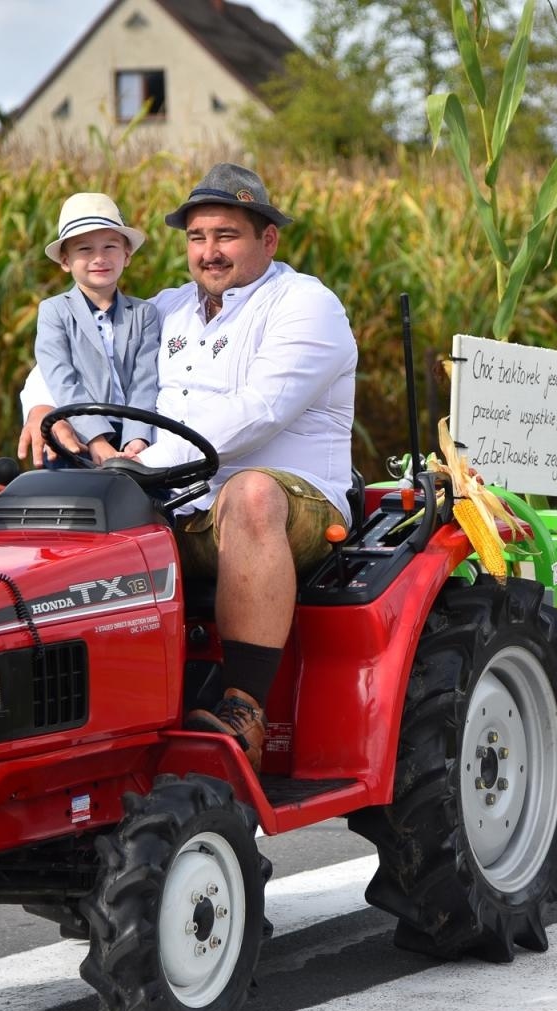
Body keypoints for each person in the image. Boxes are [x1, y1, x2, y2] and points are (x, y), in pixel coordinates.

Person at [18, 164, 358, 773]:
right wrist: (39, 403)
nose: (209, 251)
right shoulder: (168, 309)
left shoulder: (306, 305)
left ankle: (244, 708)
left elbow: (258, 413)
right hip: (176, 502)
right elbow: (87, 354)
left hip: (294, 505)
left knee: (251, 494)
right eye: (197, 237)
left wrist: (139, 466)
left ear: (268, 240)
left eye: (226, 235)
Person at [33, 192, 160, 466]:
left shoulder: (144, 314)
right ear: (65, 261)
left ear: (127, 255)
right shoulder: (54, 311)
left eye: (110, 247)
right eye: (85, 249)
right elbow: (62, 379)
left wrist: (137, 438)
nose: (99, 258)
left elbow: (144, 380)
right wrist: (96, 439)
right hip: (77, 434)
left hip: (131, 433)